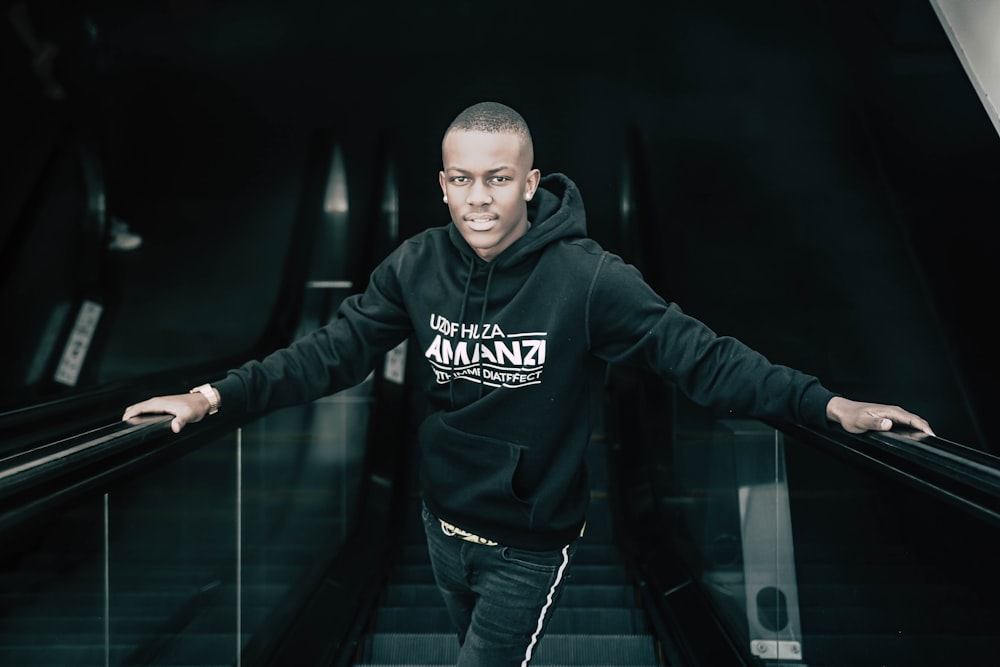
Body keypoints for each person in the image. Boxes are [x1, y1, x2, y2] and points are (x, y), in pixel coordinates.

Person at [122, 101, 934, 666]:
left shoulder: (589, 282)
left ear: (531, 181)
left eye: (499, 179)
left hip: (528, 545)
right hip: (442, 524)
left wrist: (827, 404)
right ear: (441, 183)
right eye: (463, 180)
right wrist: (210, 396)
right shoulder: (414, 265)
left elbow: (703, 355)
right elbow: (329, 352)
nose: (480, 199)